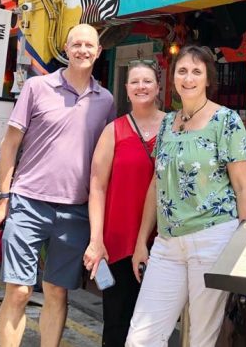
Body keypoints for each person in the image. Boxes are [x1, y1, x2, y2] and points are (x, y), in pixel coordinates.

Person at [0, 24, 115, 347]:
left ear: (98, 52)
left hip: (75, 210)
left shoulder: (106, 100)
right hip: (28, 202)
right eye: (76, 44)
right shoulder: (37, 87)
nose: (83, 50)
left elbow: (105, 163)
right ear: (66, 49)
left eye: (89, 45)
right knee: (19, 290)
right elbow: (9, 144)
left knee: (57, 291)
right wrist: (4, 199)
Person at [126, 45, 246, 347]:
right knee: (140, 338)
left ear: (208, 79)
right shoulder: (167, 123)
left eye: (197, 72)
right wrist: (142, 241)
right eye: (182, 71)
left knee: (201, 339)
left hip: (213, 239)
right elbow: (157, 184)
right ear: (172, 78)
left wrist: (244, 247)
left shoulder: (226, 121)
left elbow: (243, 187)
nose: (188, 78)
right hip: (167, 243)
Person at [83, 60, 166, 346]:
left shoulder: (175, 127)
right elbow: (97, 186)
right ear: (127, 89)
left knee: (155, 324)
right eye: (135, 82)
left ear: (158, 87)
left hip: (163, 240)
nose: (141, 87)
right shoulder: (113, 131)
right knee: (117, 322)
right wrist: (96, 239)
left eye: (147, 81)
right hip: (118, 241)